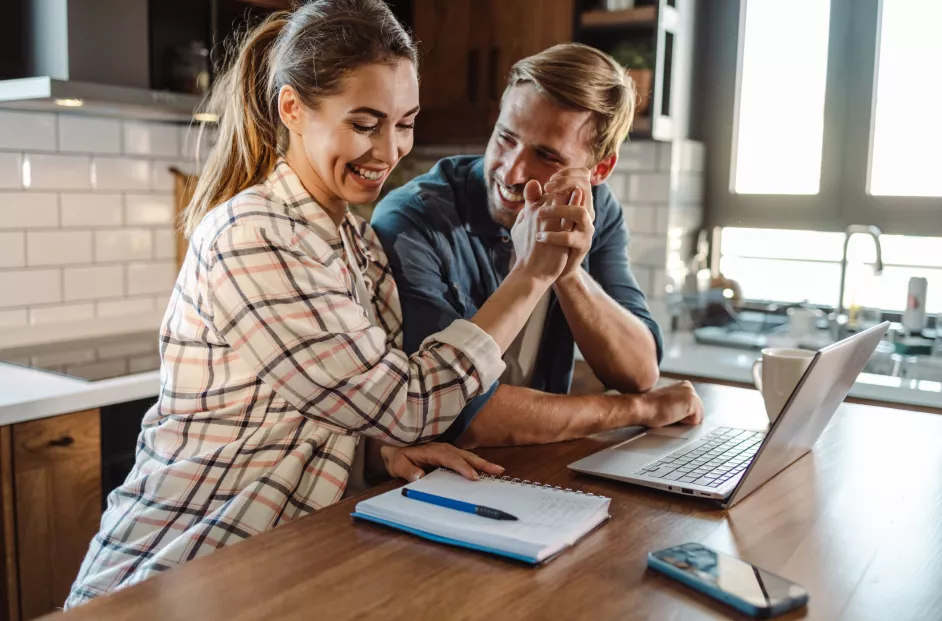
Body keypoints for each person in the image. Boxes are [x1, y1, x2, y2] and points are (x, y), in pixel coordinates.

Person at [66, 0, 573, 607]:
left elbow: (317, 417)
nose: (388, 151)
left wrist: (382, 454)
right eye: (365, 123)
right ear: (292, 110)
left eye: (404, 123)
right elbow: (408, 403)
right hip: (167, 575)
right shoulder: (254, 234)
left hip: (268, 568)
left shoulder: (353, 241)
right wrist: (530, 275)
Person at [372, 43, 705, 449]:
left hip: (537, 469)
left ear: (598, 169)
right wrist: (637, 410)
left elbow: (639, 372)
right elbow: (449, 413)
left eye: (546, 156)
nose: (512, 171)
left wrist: (568, 271)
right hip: (427, 482)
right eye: (505, 137)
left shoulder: (594, 210)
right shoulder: (413, 220)